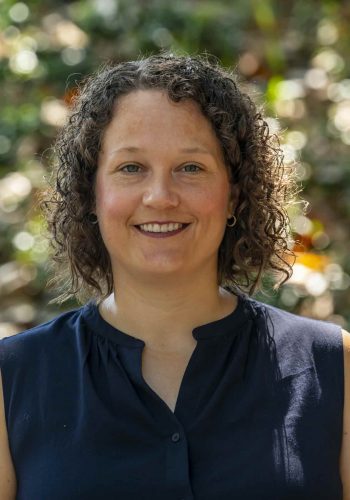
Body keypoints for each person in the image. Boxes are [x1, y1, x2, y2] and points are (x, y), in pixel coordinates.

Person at [0, 53, 349, 499]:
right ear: (92, 194)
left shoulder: (333, 366)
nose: (160, 197)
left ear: (234, 196)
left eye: (191, 168)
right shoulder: (11, 378)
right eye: (131, 168)